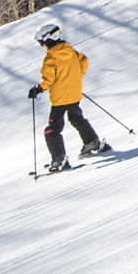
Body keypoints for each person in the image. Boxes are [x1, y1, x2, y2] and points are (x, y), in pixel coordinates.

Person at [25, 24, 110, 173]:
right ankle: (92, 142)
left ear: (48, 40)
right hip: (74, 94)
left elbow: (48, 80)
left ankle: (59, 159)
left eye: (42, 43)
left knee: (52, 130)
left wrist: (37, 89)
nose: (42, 46)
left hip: (60, 99)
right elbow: (84, 62)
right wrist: (73, 78)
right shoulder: (71, 51)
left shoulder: (51, 58)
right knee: (76, 118)